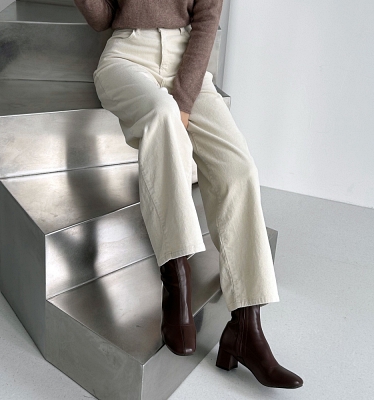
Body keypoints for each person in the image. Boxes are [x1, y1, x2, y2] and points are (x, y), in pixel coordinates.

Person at [74, 0, 303, 389]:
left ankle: (246, 326)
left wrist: (184, 98)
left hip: (188, 58)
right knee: (162, 116)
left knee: (239, 169)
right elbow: (103, 18)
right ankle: (176, 279)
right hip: (127, 56)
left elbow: (208, 17)